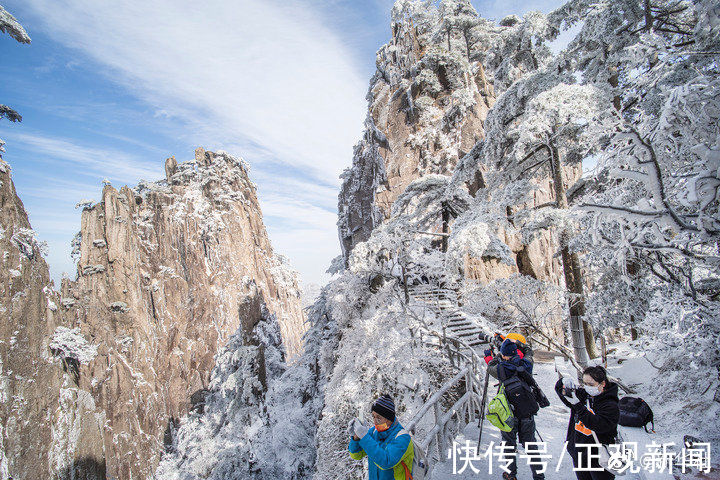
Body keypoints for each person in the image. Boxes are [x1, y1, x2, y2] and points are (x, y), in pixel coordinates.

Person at [484, 338, 545, 480]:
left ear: (504, 354)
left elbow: (490, 365)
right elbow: (529, 352)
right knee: (531, 446)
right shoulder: (526, 364)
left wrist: (492, 355)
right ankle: (539, 476)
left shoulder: (501, 369)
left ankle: (511, 474)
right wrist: (520, 345)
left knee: (509, 445)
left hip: (508, 413)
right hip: (526, 412)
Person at [554, 365, 620, 480]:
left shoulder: (611, 405)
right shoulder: (584, 395)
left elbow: (598, 425)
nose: (587, 387)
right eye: (584, 383)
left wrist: (578, 405)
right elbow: (565, 396)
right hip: (579, 453)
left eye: (591, 385)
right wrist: (562, 383)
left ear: (602, 384)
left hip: (599, 457)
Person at [348, 394, 415, 479]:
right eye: (373, 417)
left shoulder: (403, 438)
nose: (375, 422)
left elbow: (386, 462)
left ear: (389, 418)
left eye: (379, 418)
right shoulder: (374, 432)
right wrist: (356, 437)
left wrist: (365, 437)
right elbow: (356, 455)